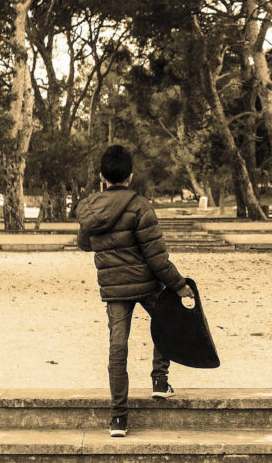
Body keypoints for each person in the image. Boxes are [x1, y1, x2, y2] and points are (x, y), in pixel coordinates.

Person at [75, 145, 194, 438]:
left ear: (102, 176)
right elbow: (156, 258)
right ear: (130, 175)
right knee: (167, 320)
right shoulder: (140, 207)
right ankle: (159, 381)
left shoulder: (90, 208)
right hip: (147, 284)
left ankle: (118, 419)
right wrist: (180, 285)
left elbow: (84, 243)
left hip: (115, 289)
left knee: (118, 348)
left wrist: (109, 244)